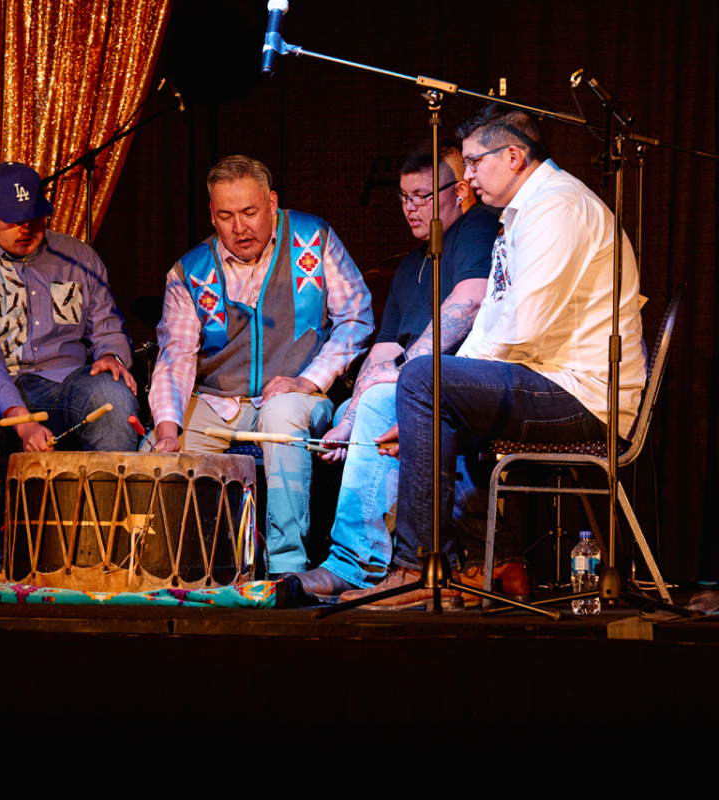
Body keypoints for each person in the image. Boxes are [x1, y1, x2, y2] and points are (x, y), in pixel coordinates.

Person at [341, 105, 646, 609]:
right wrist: (432, 400)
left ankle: (418, 569)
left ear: (513, 155)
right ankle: (453, 569)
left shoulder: (558, 208)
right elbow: (495, 321)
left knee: (421, 380)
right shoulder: (525, 212)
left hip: (583, 395)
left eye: (476, 163)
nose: (469, 177)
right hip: (549, 381)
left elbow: (521, 327)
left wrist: (434, 387)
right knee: (426, 387)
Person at [287, 141, 506, 599]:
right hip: (420, 389)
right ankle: (466, 553)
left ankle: (355, 563)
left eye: (424, 196)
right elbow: (382, 353)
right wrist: (348, 416)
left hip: (474, 387)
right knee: (354, 404)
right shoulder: (410, 266)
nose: (412, 208)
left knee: (385, 399)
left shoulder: (477, 228)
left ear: (459, 191)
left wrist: (403, 373)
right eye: (405, 197)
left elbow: (468, 303)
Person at [148, 155, 373, 577]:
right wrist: (166, 428)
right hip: (218, 401)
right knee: (156, 458)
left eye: (250, 212)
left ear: (272, 203)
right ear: (212, 216)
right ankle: (177, 567)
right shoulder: (189, 271)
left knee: (282, 412)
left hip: (297, 395)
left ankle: (288, 565)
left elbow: (357, 317)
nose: (240, 227)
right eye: (227, 216)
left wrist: (309, 380)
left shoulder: (312, 238)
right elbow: (175, 356)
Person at [0, 162, 139, 572]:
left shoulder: (77, 257)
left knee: (113, 394)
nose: (26, 229)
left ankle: (105, 550)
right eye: (13, 221)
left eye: (35, 219)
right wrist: (22, 420)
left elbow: (108, 326)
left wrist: (112, 356)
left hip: (66, 383)